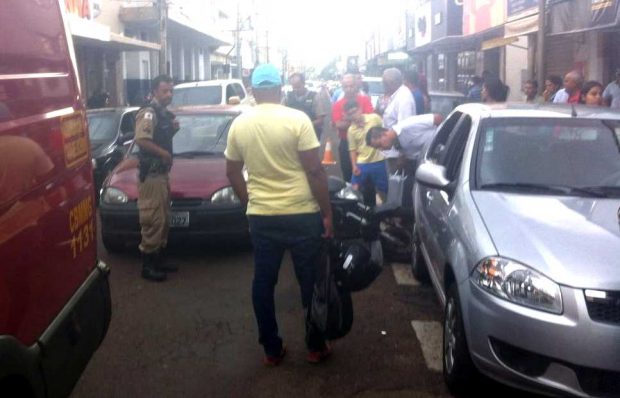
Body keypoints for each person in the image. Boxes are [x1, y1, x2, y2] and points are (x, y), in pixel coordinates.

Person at [224, 63, 334, 366]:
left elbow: (232, 172)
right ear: (280, 88)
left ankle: (271, 349)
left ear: (254, 90)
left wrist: (250, 201)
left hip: (262, 216)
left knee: (263, 282)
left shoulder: (240, 124)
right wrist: (327, 214)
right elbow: (314, 170)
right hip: (302, 213)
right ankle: (315, 346)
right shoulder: (297, 119)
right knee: (309, 281)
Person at [134, 75, 180, 282]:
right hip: (151, 175)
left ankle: (159, 259)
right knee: (152, 219)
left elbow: (158, 139)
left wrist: (172, 131)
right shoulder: (149, 113)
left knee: (162, 218)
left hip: (161, 174)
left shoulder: (162, 114)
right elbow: (142, 140)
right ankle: (148, 265)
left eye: (171, 91)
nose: (169, 94)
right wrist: (164, 154)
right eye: (164, 91)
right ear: (154, 92)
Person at [366, 113, 443, 186]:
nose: (381, 149)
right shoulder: (397, 146)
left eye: (379, 145)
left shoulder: (406, 126)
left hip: (445, 147)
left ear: (383, 135)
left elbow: (437, 118)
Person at [332, 73, 374, 182]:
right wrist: (356, 119)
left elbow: (369, 121)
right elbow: (338, 125)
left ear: (356, 86)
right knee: (348, 176)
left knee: (367, 178)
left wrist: (348, 119)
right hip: (346, 144)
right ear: (342, 87)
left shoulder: (365, 100)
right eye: (346, 86)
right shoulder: (338, 104)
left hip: (365, 144)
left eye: (351, 86)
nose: (349, 89)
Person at [344, 100, 387, 200]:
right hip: (362, 162)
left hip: (379, 160)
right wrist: (354, 166)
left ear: (360, 109)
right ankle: (355, 211)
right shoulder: (351, 130)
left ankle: (387, 211)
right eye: (350, 114)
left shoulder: (374, 118)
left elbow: (386, 131)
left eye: (355, 111)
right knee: (354, 188)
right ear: (348, 116)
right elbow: (352, 150)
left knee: (384, 190)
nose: (354, 115)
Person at [381, 67, 416, 175]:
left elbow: (404, 128)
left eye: (384, 82)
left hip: (397, 156)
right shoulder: (396, 96)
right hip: (392, 153)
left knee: (396, 187)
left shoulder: (404, 98)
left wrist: (402, 155)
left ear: (391, 83)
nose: (382, 85)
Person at [283, 73, 327, 139]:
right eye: (294, 87)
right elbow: (280, 115)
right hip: (292, 136)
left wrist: (304, 126)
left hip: (310, 135)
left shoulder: (315, 97)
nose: (296, 90)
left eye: (298, 87)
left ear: (303, 84)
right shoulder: (288, 98)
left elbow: (320, 120)